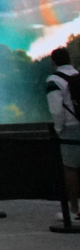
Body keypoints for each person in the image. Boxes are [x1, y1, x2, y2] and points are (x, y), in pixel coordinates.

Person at [48, 47, 80, 217]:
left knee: (71, 168)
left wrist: (59, 129)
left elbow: (56, 110)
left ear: (53, 61)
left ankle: (74, 210)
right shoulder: (77, 75)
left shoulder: (54, 80)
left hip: (70, 127)